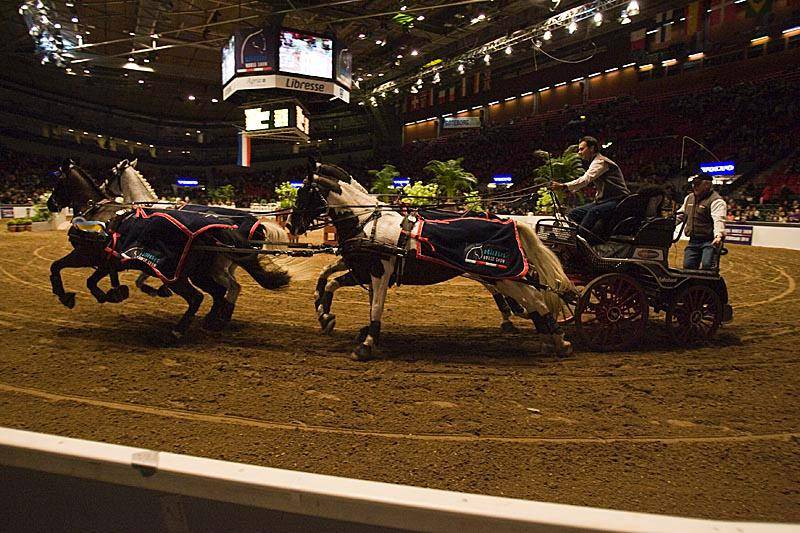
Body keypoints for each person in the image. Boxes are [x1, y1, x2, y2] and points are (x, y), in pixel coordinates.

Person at [550, 136, 630, 239]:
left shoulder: (600, 162)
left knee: (593, 212)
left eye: (582, 149)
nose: (579, 152)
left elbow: (585, 179)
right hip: (604, 200)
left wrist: (563, 186)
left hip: (617, 200)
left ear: (592, 148)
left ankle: (580, 241)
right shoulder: (595, 162)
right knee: (574, 213)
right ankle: (568, 238)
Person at [676, 174, 727, 270]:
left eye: (698, 184)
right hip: (693, 240)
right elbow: (681, 214)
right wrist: (669, 224)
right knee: (688, 266)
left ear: (707, 185)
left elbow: (718, 219)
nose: (694, 187)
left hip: (710, 240)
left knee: (707, 266)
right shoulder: (689, 198)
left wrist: (718, 235)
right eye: (694, 184)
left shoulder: (717, 201)